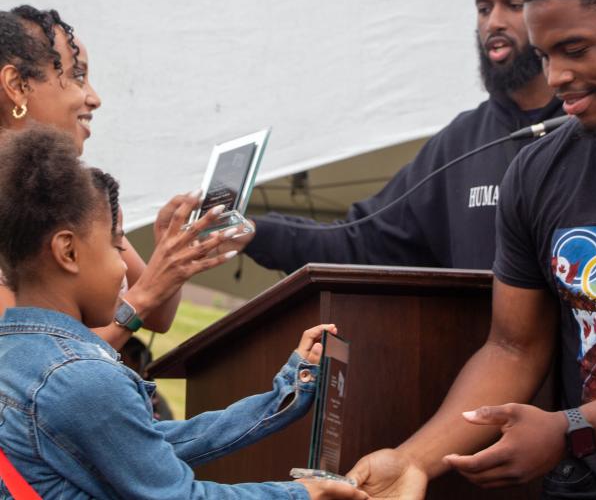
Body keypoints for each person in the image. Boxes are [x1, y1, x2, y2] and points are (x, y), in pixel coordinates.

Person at [347, 0, 596, 499]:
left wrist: (570, 427)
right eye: (545, 55)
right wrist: (410, 461)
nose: (557, 76)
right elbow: (514, 345)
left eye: (576, 49)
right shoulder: (538, 171)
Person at [0, 125, 367, 500]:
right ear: (68, 252)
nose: (126, 269)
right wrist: (305, 494)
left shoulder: (13, 356)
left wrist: (287, 392)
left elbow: (148, 442)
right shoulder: (80, 379)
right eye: (115, 246)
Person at [226, 0, 563, 274]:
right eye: (484, 8)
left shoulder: (585, 126)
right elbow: (362, 241)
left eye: (513, 4)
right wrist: (255, 232)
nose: (494, 23)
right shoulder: (460, 142)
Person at [0, 5, 237, 349]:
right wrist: (139, 302)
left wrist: (169, 253)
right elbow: (26, 353)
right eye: (77, 75)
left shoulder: (77, 193)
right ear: (17, 86)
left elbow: (159, 315)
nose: (93, 98)